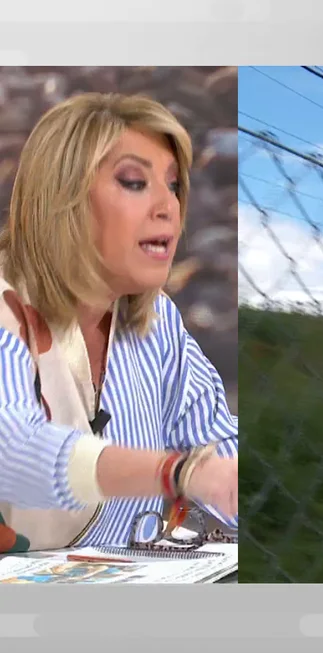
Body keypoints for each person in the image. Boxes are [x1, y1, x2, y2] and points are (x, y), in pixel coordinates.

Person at [0, 92, 238, 554]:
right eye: (133, 181)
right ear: (63, 198)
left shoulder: (157, 322)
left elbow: (217, 446)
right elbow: (14, 451)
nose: (168, 206)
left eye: (173, 185)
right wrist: (175, 473)